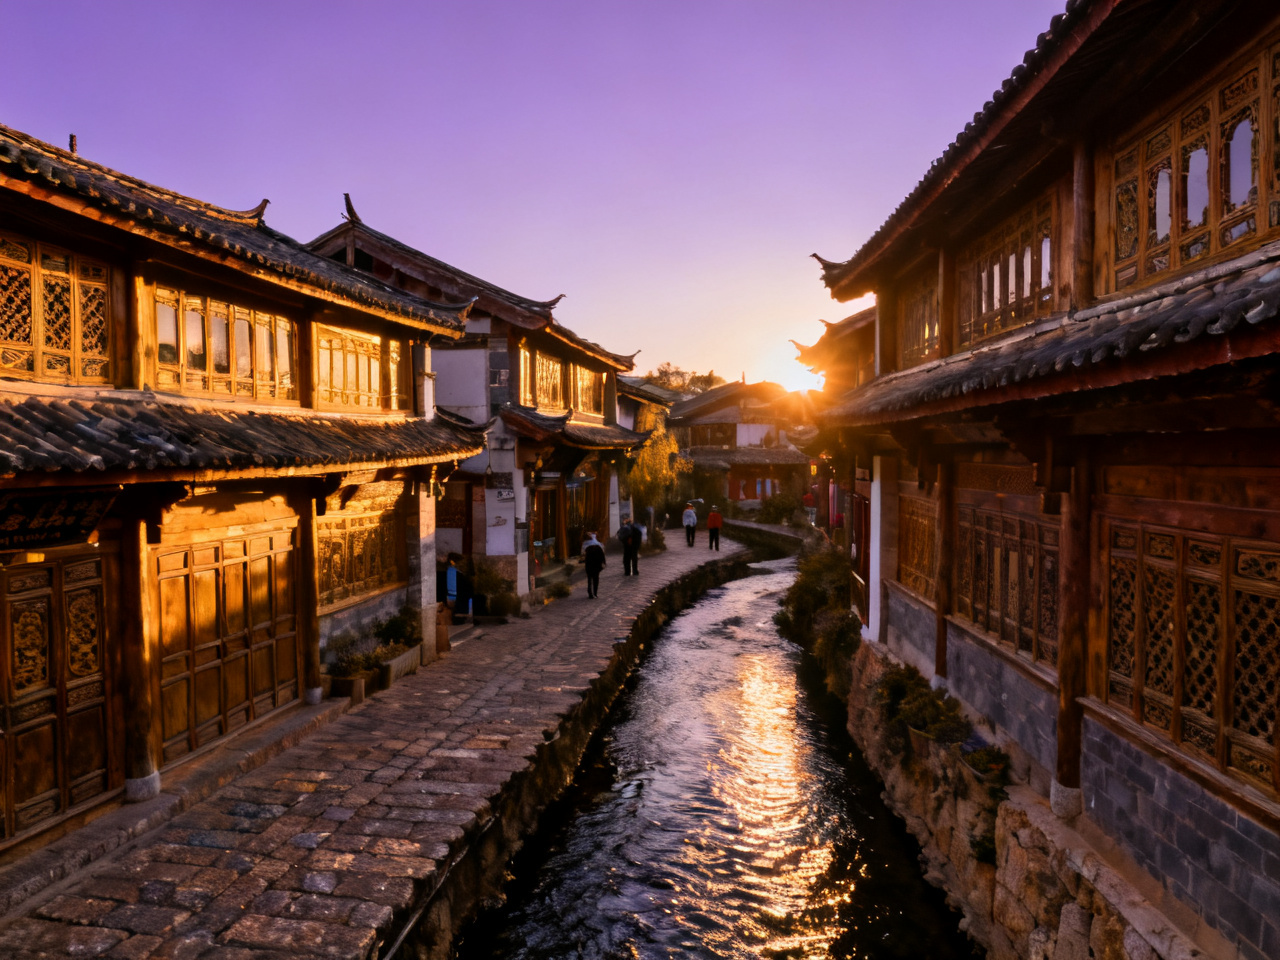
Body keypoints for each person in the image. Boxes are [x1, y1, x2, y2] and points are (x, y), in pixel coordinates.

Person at [582, 531, 606, 598]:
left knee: (590, 579)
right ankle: (595, 593)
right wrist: (603, 563)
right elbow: (602, 555)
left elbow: (583, 555)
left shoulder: (585, 545)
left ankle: (590, 593)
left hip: (589, 563)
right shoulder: (598, 545)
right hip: (596, 564)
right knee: (596, 578)